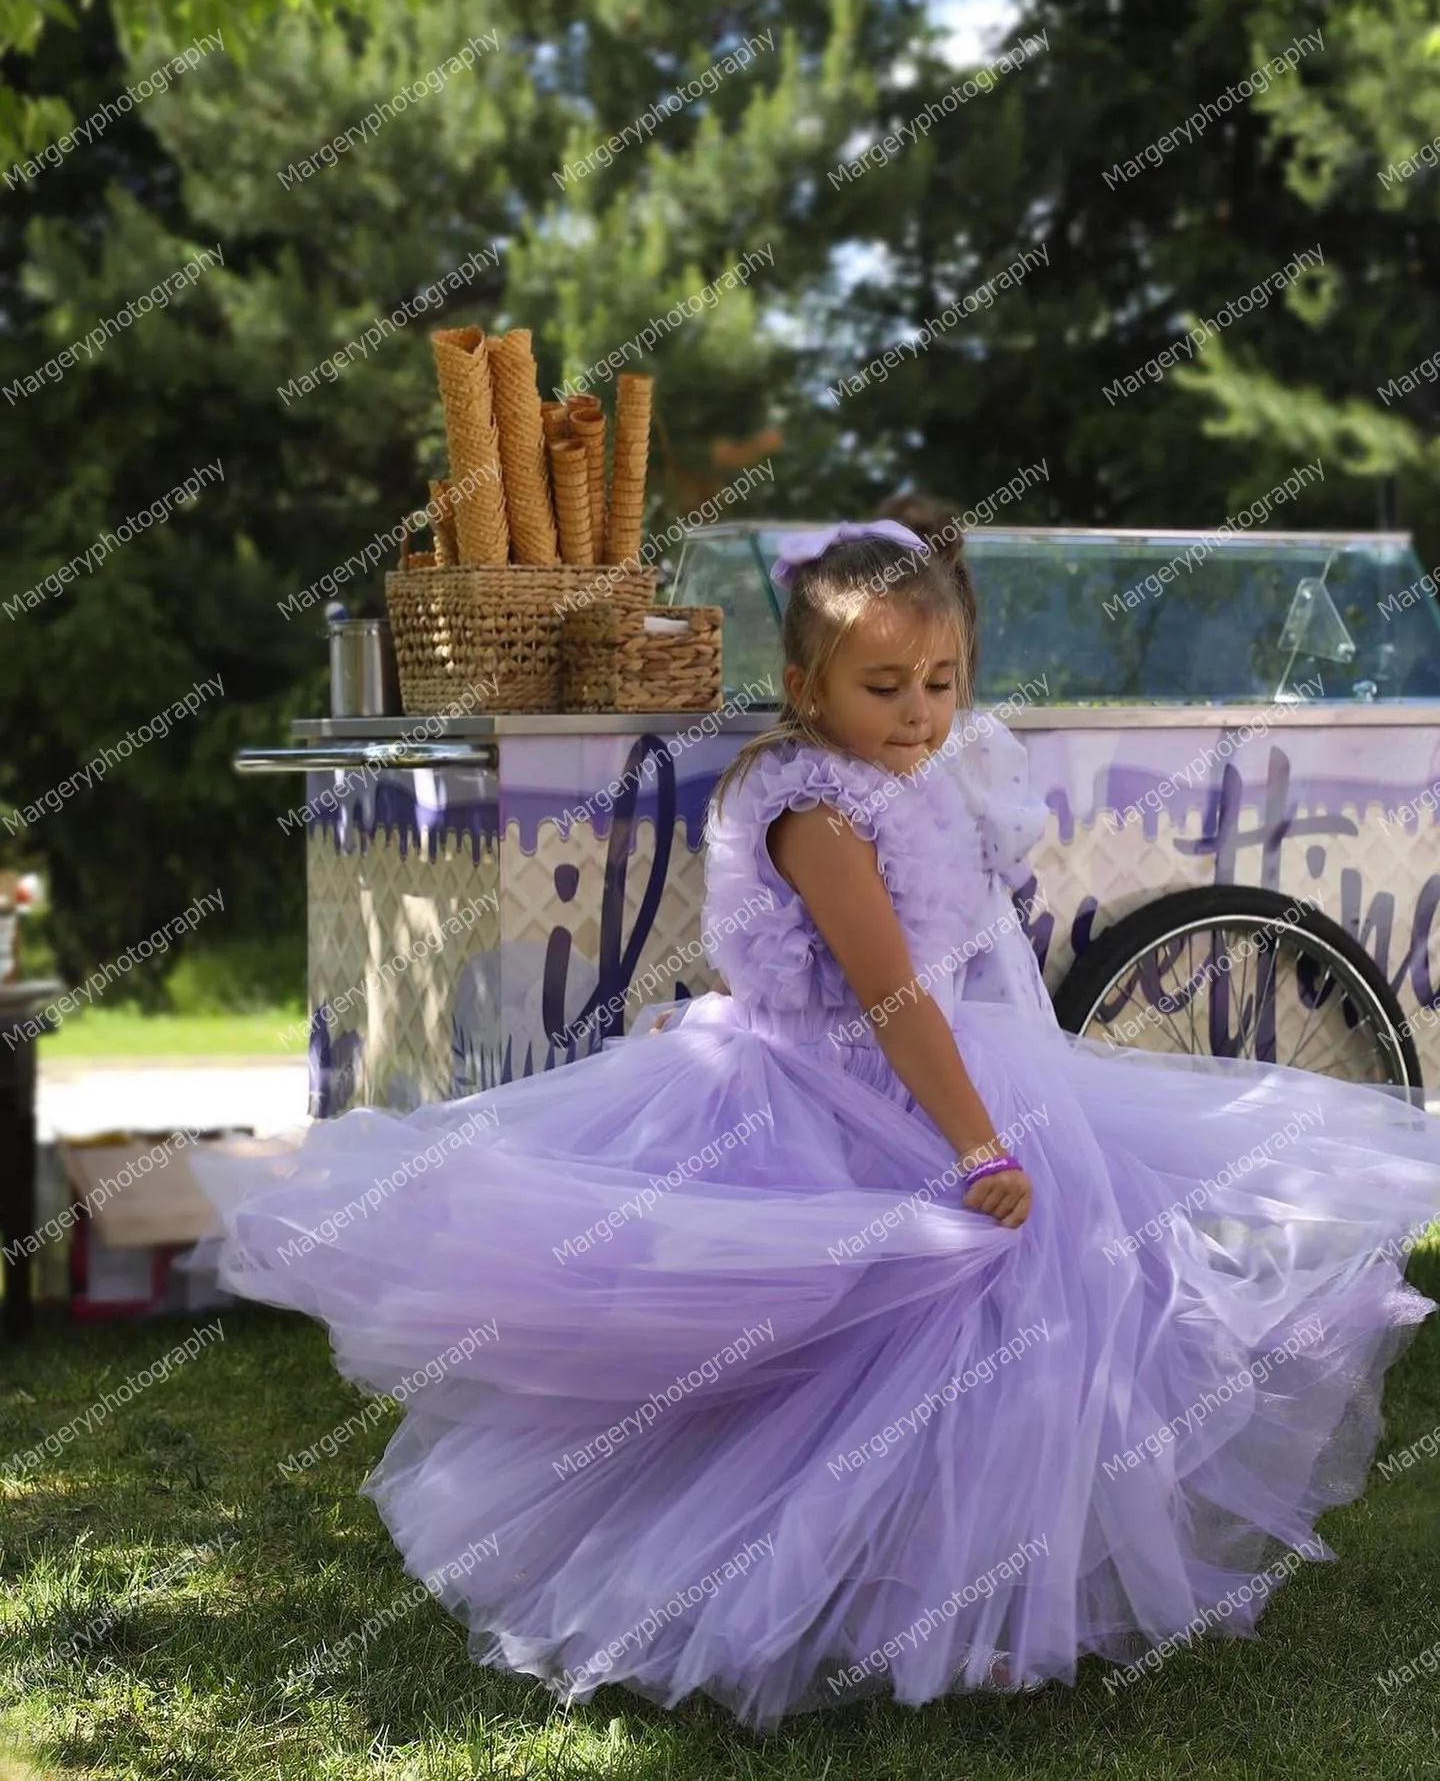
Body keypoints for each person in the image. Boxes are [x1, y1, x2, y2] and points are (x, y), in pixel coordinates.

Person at [192, 520, 1440, 1733]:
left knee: (1012, 1339)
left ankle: (974, 1599)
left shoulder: (904, 781)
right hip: (851, 1094)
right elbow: (891, 998)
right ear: (804, 687)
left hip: (936, 1071)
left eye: (942, 682)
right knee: (902, 1335)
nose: (919, 711)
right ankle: (848, 1595)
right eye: (885, 684)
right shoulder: (820, 815)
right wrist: (980, 1143)